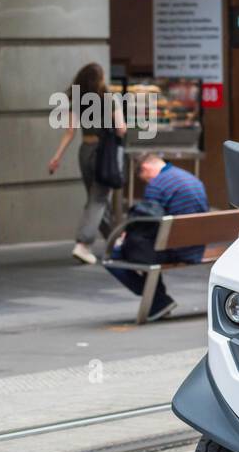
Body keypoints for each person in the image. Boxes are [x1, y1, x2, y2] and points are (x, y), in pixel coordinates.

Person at [107, 154, 209, 321]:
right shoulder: (189, 177)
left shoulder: (157, 185)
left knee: (114, 257)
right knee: (149, 249)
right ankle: (158, 303)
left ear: (146, 168)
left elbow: (147, 223)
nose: (146, 182)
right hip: (196, 247)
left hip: (177, 249)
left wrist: (125, 236)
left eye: (144, 178)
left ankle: (159, 301)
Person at [48, 62, 126, 264]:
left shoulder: (77, 99)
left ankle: (118, 240)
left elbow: (70, 132)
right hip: (104, 152)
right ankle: (83, 244)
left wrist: (56, 157)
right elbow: (121, 128)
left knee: (97, 198)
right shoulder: (108, 97)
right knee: (99, 199)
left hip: (85, 151)